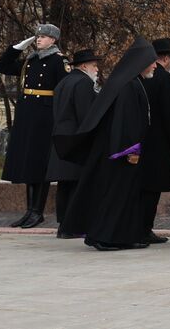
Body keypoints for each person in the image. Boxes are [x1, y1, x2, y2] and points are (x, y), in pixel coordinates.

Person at [56, 38, 158, 251]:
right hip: (121, 154)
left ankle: (122, 236)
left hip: (121, 152)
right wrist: (130, 150)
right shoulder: (128, 85)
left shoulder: (130, 81)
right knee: (114, 197)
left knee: (124, 197)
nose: (155, 65)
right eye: (152, 61)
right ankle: (103, 237)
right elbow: (124, 121)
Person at [0, 22, 70, 228]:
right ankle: (29, 210)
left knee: (40, 165)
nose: (39, 39)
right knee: (28, 163)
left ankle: (37, 211)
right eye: (37, 36)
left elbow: (64, 90)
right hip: (27, 113)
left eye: (44, 37)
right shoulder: (29, 60)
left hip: (45, 117)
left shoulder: (59, 61)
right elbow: (1, 66)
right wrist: (16, 48)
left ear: (53, 40)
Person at [47, 49, 100, 237]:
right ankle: (74, 226)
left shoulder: (64, 82)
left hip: (62, 139)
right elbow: (86, 115)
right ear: (84, 66)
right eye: (94, 65)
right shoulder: (83, 83)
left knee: (65, 186)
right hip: (76, 141)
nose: (97, 70)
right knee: (77, 187)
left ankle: (64, 225)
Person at [139, 37, 170, 244]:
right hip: (159, 143)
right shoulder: (164, 79)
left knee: (142, 187)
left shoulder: (139, 76)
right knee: (152, 189)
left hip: (140, 141)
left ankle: (139, 226)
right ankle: (144, 227)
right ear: (165, 58)